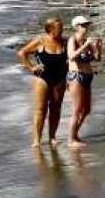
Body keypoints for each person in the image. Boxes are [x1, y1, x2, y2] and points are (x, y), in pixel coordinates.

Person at [18, 17, 71, 147]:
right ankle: (37, 139)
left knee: (56, 108)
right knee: (40, 110)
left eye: (62, 27)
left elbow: (72, 57)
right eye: (59, 28)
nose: (62, 30)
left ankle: (52, 136)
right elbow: (22, 53)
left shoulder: (65, 41)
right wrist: (31, 67)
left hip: (60, 78)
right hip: (43, 78)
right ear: (50, 29)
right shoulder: (40, 41)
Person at [63, 16, 100, 148]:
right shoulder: (72, 40)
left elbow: (97, 58)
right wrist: (85, 45)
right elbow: (71, 56)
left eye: (87, 25)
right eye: (83, 25)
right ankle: (70, 140)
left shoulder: (86, 40)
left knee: (86, 109)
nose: (86, 27)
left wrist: (97, 47)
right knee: (77, 109)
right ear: (76, 26)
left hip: (87, 76)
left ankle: (74, 135)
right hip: (76, 76)